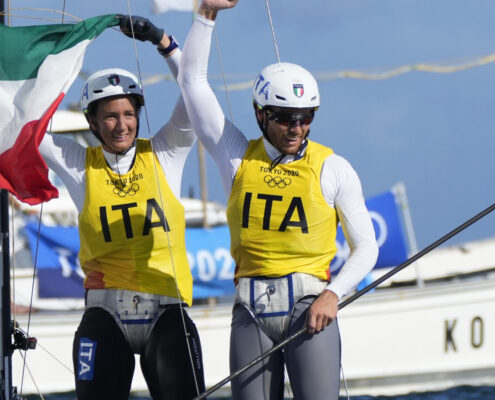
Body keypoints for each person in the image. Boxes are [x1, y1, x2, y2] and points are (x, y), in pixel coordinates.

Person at [177, 1, 379, 399]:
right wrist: (206, 15)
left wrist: (333, 294)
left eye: (306, 117)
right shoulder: (234, 154)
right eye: (285, 117)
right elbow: (192, 84)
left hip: (310, 309)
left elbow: (366, 247)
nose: (297, 128)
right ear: (261, 114)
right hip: (251, 311)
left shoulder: (334, 167)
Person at [38, 15, 205, 400]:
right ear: (93, 123)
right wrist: (55, 60)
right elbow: (31, 125)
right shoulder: (79, 164)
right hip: (105, 312)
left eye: (129, 114)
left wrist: (162, 42)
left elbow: (194, 93)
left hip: (166, 308)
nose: (121, 125)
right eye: (110, 116)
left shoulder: (166, 153)